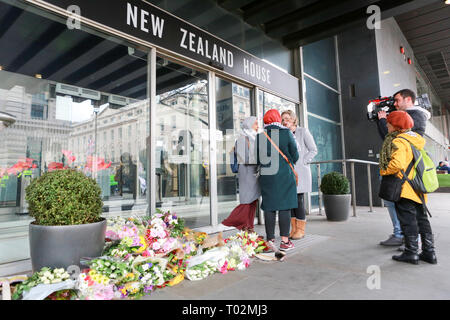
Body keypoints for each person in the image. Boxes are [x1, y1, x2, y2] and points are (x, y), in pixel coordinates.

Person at [379, 111, 437, 265]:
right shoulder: (415, 139)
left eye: (389, 123)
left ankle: (411, 253)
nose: (387, 125)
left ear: (396, 125)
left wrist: (384, 170)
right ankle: (429, 252)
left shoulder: (399, 141)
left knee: (408, 220)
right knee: (422, 219)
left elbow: (397, 164)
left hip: (405, 188)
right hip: (417, 187)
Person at [376, 88, 430, 247]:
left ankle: (408, 243)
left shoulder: (413, 118)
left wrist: (384, 170)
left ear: (409, 100)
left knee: (407, 212)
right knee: (416, 214)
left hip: (402, 175)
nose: (395, 104)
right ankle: (423, 248)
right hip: (407, 174)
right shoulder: (413, 121)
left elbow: (391, 141)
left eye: (397, 100)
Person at [256, 109, 299, 251]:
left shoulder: (260, 136)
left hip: (266, 176)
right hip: (284, 175)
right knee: (284, 207)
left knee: (269, 206)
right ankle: (285, 242)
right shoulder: (286, 133)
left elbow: (257, 158)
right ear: (277, 120)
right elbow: (295, 154)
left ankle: (270, 240)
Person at [281, 110, 317, 240]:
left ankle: (301, 229)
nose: (285, 122)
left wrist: (303, 161)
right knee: (291, 200)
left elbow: (313, 149)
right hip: (288, 171)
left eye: (287, 119)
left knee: (299, 200)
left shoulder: (303, 131)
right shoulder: (284, 134)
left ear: (293, 119)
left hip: (300, 171)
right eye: (283, 119)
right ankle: (294, 228)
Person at [222, 116, 261, 232]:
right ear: (249, 125)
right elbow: (245, 158)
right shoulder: (242, 139)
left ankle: (250, 229)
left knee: (252, 202)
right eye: (255, 124)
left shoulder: (252, 138)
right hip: (247, 175)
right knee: (246, 202)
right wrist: (261, 159)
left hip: (253, 175)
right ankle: (241, 225)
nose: (258, 126)